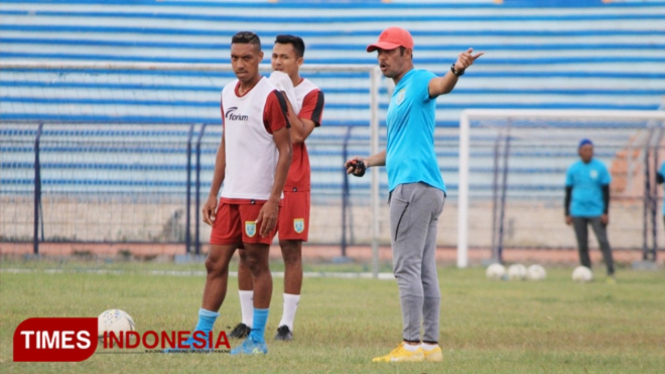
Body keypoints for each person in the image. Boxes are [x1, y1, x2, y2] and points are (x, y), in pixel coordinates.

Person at [345, 26, 482, 363]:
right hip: (428, 187)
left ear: (407, 53)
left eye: (389, 51)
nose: (381, 57)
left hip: (412, 187)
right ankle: (430, 347)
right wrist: (367, 161)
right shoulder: (400, 92)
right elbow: (396, 150)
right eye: (378, 51)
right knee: (423, 270)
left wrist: (457, 69)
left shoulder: (418, 80)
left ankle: (410, 345)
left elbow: (441, 86)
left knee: (406, 268)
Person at [179, 31, 292, 355]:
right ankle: (200, 339)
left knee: (256, 262)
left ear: (259, 58)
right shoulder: (227, 93)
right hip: (230, 196)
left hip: (258, 198)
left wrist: (274, 201)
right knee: (215, 262)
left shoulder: (271, 96)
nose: (239, 64)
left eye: (246, 58)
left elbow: (286, 152)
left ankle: (257, 339)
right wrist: (214, 192)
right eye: (234, 58)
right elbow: (226, 144)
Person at [229, 34, 325, 342]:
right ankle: (245, 320)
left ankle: (286, 324)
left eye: (284, 57)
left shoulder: (312, 93)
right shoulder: (261, 90)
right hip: (259, 182)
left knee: (290, 250)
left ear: (299, 61)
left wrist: (284, 95)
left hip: (295, 183)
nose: (278, 63)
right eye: (274, 57)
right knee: (247, 252)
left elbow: (297, 137)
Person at [565, 139, 615, 282]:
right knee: (582, 244)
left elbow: (606, 191)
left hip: (596, 211)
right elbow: (568, 192)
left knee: (603, 241)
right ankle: (587, 273)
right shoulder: (573, 169)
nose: (588, 152)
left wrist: (605, 212)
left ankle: (610, 272)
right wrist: (567, 213)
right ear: (579, 151)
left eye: (590, 149)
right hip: (578, 211)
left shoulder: (600, 168)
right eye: (585, 149)